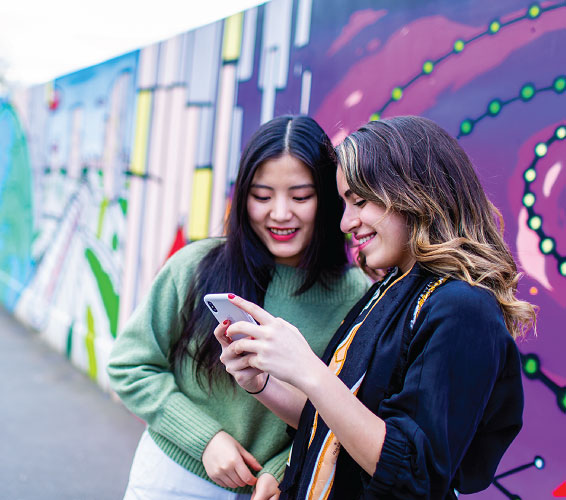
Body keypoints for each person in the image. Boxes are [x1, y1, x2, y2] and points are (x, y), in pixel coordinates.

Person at [215, 115, 536, 499]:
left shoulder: (463, 307)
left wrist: (309, 369)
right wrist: (262, 382)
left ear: (417, 192)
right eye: (344, 203)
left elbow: (414, 474)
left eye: (360, 201)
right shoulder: (389, 286)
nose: (346, 222)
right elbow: (335, 421)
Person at [108, 115, 371, 499]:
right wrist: (205, 440)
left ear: (329, 199)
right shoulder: (196, 265)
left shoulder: (357, 295)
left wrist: (283, 467)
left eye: (300, 196)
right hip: (174, 476)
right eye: (262, 196)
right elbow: (130, 365)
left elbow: (344, 410)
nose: (280, 213)